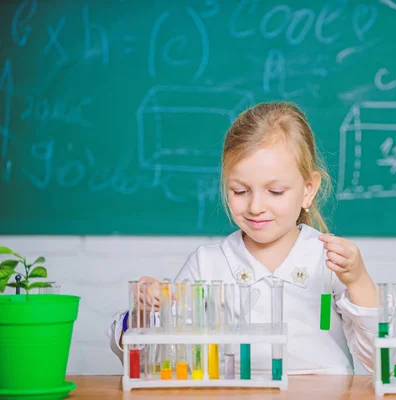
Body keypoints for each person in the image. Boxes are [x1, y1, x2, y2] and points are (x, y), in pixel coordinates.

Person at [107, 101, 378, 375]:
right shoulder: (208, 264)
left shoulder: (329, 261)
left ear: (308, 189)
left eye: (275, 191)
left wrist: (358, 280)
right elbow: (146, 362)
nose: (255, 206)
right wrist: (144, 310)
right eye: (240, 191)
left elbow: (378, 361)